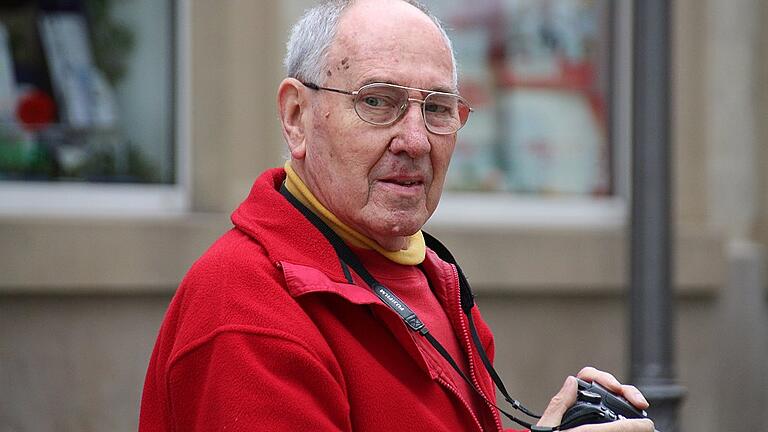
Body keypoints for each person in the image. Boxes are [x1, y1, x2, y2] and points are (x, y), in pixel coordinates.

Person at [139, 1, 655, 431]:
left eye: (436, 108)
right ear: (297, 118)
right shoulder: (248, 314)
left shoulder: (428, 278)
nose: (414, 141)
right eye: (378, 102)